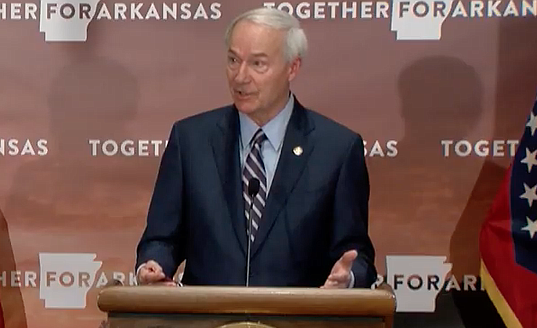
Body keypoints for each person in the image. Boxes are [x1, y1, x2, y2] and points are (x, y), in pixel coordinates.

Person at [135, 7, 377, 288]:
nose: (240, 76)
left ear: (292, 67)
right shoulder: (190, 140)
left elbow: (357, 255)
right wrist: (152, 265)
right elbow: (160, 240)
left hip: (298, 327)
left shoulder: (336, 149)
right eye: (233, 60)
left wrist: (347, 279)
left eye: (257, 64)